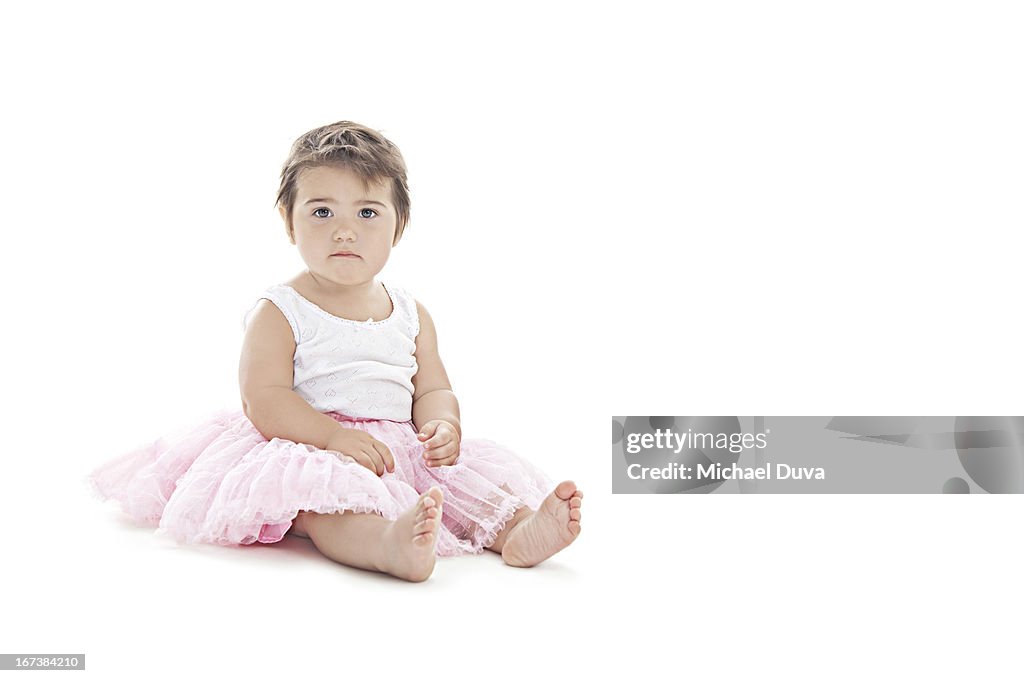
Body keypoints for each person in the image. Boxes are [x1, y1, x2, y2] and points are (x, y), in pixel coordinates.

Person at [87, 120, 583, 582]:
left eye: (367, 212)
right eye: (321, 211)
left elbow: (431, 386)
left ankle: (519, 529)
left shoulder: (410, 312)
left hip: (398, 447)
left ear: (399, 225)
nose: (344, 231)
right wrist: (330, 438)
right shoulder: (282, 310)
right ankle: (387, 544)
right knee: (332, 505)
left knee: (465, 487)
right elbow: (264, 397)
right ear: (289, 221)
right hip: (309, 442)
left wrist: (443, 424)